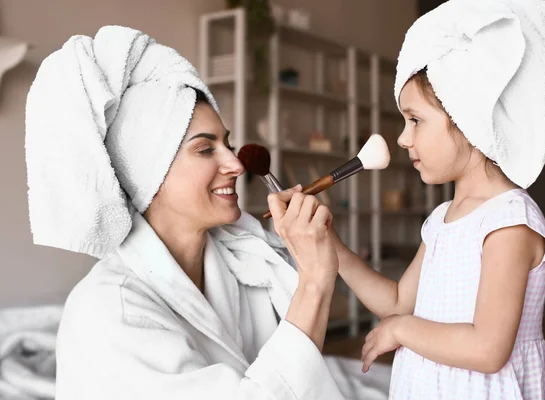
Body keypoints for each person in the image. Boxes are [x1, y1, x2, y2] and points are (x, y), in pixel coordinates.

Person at [24, 25, 391, 400]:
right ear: (149, 173)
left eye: (228, 144)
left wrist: (313, 259)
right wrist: (314, 281)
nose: (235, 163)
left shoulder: (241, 263)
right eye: (205, 149)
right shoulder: (107, 311)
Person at [308, 0, 545, 399]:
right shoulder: (443, 219)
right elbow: (397, 302)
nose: (403, 138)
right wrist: (330, 242)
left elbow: (488, 349)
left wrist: (401, 330)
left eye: (415, 120)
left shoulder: (508, 222)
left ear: (467, 117)